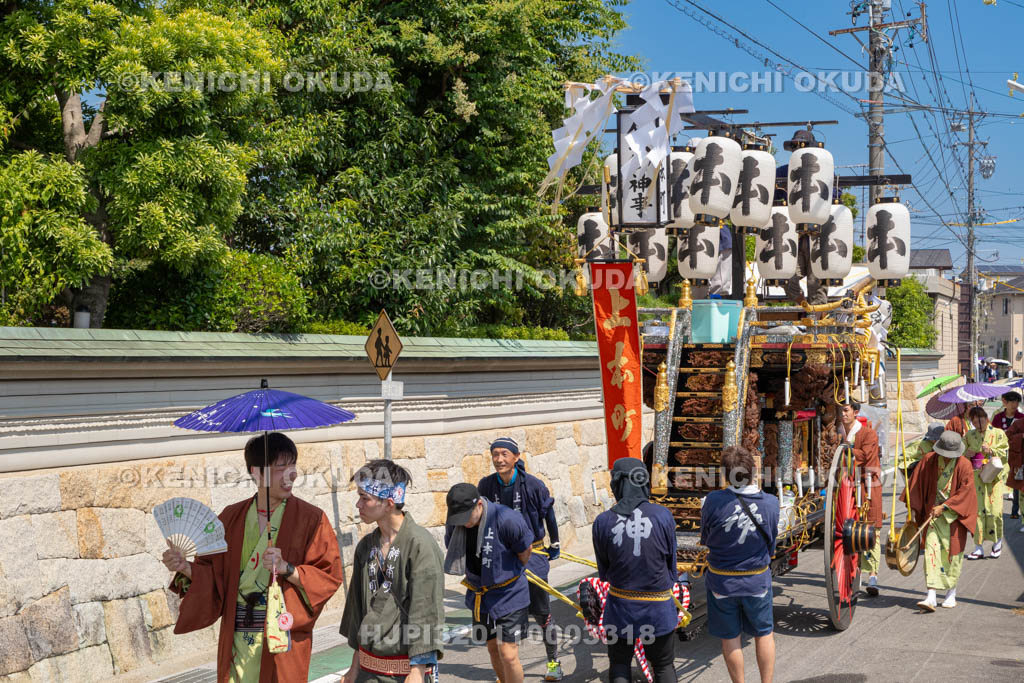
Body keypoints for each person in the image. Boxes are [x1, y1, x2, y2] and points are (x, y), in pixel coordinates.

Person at [161, 432, 343, 682]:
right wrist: (185, 568)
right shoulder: (230, 518)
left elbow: (328, 575)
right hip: (238, 638)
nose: (291, 474)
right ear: (255, 472)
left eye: (293, 466)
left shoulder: (311, 519)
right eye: (281, 467)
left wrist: (288, 568)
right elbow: (214, 577)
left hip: (280, 636)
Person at [340, 460, 445, 683]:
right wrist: (354, 667)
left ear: (388, 503)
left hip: (404, 671)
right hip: (368, 670)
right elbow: (358, 609)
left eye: (364, 498)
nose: (358, 504)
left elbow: (426, 609)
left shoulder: (420, 545)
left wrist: (417, 671)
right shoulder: (366, 546)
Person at [478, 437, 563, 681]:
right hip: (500, 559)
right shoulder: (485, 486)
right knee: (503, 612)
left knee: (541, 610)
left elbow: (549, 514)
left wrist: (554, 543)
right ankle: (509, 665)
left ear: (516, 457)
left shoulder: (533, 485)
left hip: (531, 553)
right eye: (495, 454)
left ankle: (553, 661)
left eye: (504, 454)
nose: (499, 459)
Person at [592, 457, 678, 683]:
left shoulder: (603, 521)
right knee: (662, 665)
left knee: (620, 664)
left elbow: (604, 571)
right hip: (658, 605)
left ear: (617, 484)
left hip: (621, 605)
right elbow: (671, 564)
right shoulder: (663, 515)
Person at [701, 446, 779, 683]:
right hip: (756, 580)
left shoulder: (712, 501)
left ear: (726, 475)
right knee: (764, 633)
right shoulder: (771, 503)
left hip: (722, 582)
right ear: (753, 472)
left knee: (730, 637)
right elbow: (772, 542)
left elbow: (705, 538)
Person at [444, 483, 532, 683]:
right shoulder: (456, 523)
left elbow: (525, 552)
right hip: (479, 594)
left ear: (479, 505)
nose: (463, 523)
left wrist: (505, 574)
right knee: (492, 648)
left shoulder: (506, 519)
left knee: (508, 653)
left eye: (466, 516)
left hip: (509, 592)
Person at [902, 431, 978, 611]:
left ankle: (951, 594)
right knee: (931, 551)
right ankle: (931, 596)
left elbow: (966, 492)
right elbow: (916, 484)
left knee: (953, 556)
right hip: (932, 515)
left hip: (954, 517)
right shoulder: (929, 459)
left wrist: (945, 507)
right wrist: (913, 509)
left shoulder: (964, 465)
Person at [839, 401, 883, 596]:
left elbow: (866, 456)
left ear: (856, 412)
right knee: (849, 531)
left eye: (846, 410)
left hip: (868, 485)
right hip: (847, 486)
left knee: (871, 528)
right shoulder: (841, 433)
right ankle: (852, 572)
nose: (843, 414)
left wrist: (845, 449)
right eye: (841, 410)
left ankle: (873, 574)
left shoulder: (867, 433)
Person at [964, 406, 1009, 559]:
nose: (977, 423)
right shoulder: (969, 436)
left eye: (980, 419)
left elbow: (1005, 453)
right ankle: (978, 547)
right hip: (976, 479)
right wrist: (966, 453)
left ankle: (997, 542)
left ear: (986, 418)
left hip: (994, 479)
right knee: (977, 513)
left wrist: (992, 451)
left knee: (995, 511)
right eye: (974, 420)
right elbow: (961, 456)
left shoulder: (998, 433)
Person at [991, 392, 1023, 520]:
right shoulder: (998, 417)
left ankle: (1015, 511)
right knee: (999, 481)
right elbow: (992, 434)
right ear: (1005, 402)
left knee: (1017, 483)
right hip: (1001, 454)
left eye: (1017, 402)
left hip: (1017, 456)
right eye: (1012, 402)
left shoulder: (1021, 417)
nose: (1015, 405)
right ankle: (995, 509)